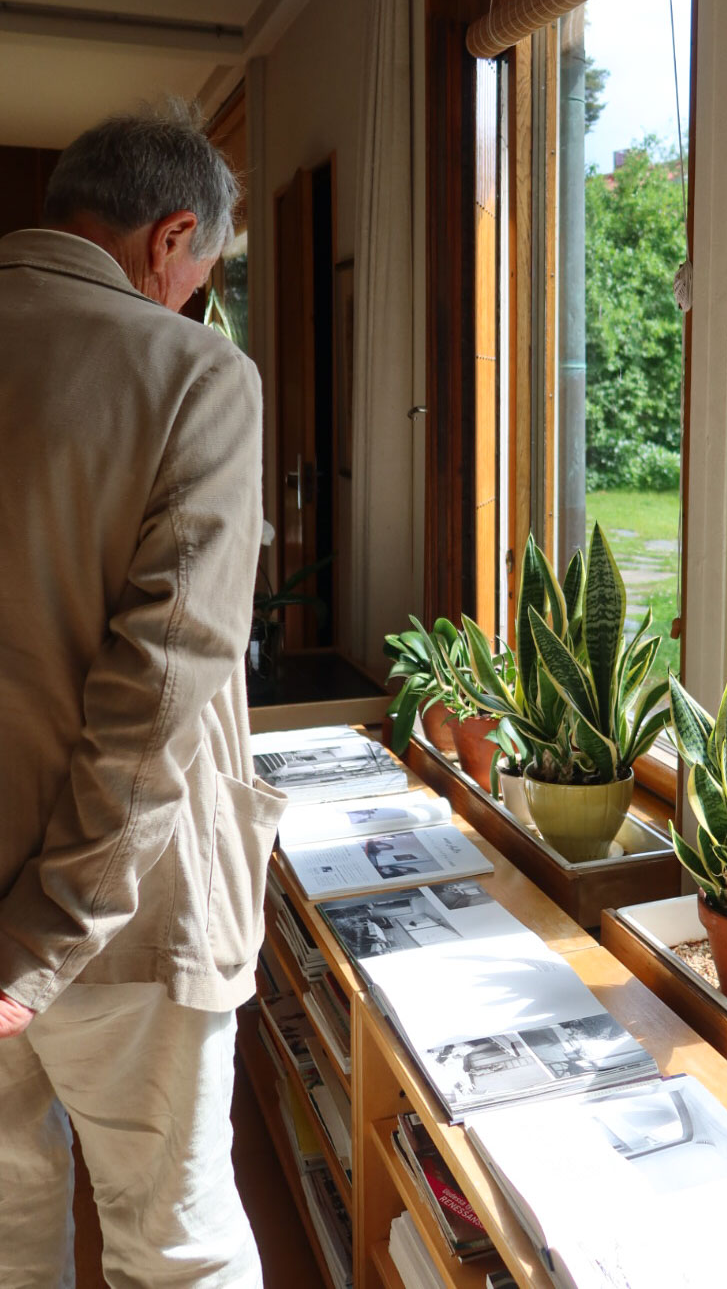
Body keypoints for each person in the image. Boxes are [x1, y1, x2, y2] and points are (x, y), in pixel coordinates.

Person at [0, 106, 286, 1287]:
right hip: (116, 922)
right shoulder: (193, 373)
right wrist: (35, 949)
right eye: (201, 277)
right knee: (177, 1251)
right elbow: (159, 694)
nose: (192, 301)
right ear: (171, 238)